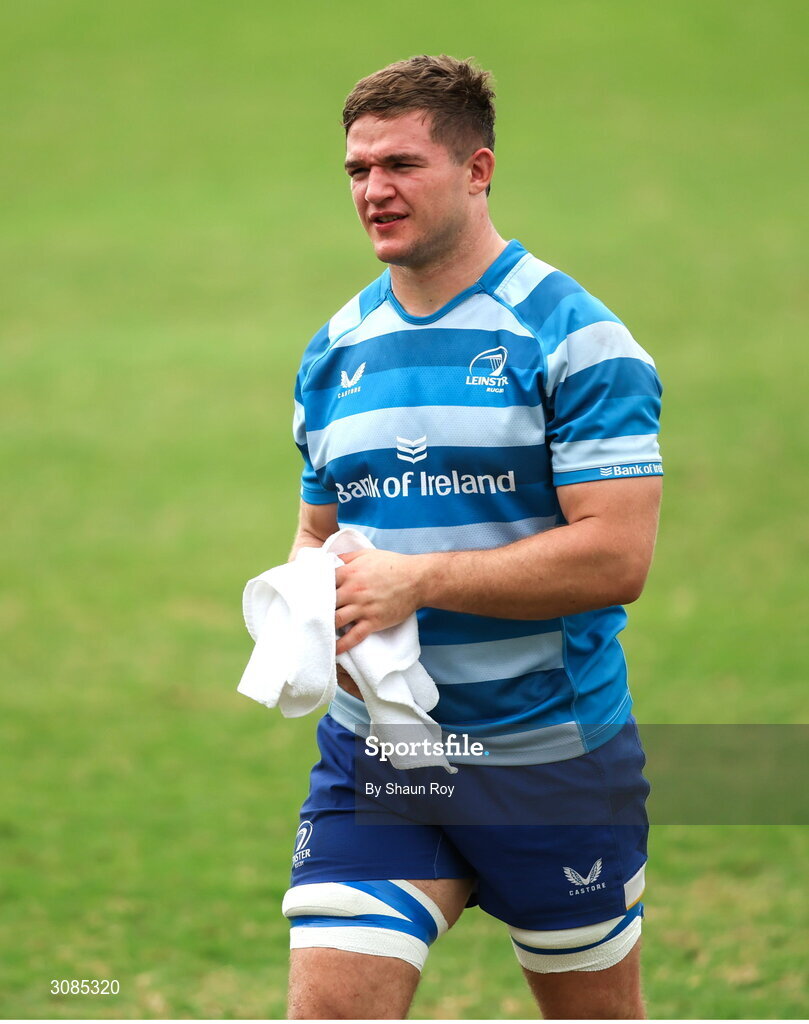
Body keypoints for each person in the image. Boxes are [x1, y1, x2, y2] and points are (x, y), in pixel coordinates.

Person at [282, 55, 663, 1019]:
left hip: (549, 761)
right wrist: (299, 608)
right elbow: (317, 534)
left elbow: (615, 559)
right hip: (384, 757)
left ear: (477, 168)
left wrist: (418, 582)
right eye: (358, 170)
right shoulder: (334, 351)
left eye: (402, 165)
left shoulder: (576, 341)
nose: (374, 191)